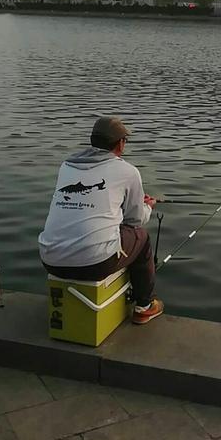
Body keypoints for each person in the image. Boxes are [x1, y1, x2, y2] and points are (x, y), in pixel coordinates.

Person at [38, 116, 164, 324]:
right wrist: (148, 206)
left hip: (50, 260)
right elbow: (135, 220)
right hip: (95, 264)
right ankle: (145, 305)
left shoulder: (66, 166)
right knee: (141, 237)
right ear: (120, 143)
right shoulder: (128, 171)